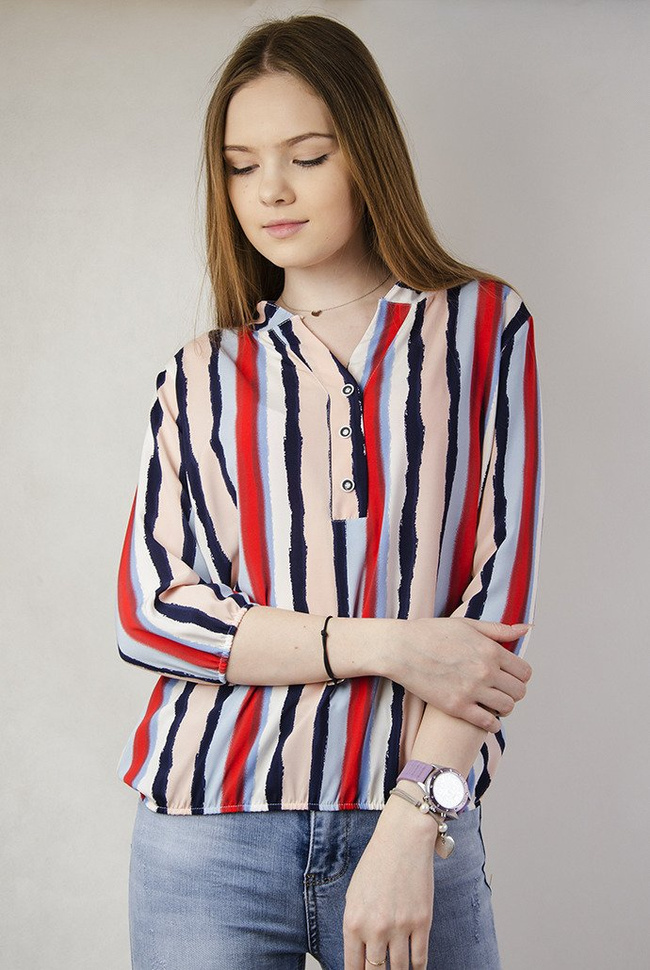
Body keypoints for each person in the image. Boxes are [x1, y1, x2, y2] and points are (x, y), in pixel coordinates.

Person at [115, 13, 544, 970]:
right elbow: (152, 616)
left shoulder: (484, 327)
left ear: (366, 152)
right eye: (241, 166)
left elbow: (494, 620)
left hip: (415, 823)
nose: (271, 189)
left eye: (307, 156)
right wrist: (389, 645)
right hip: (206, 830)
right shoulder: (199, 373)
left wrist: (412, 824)